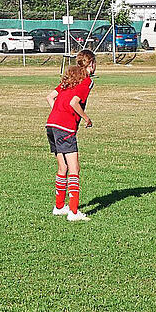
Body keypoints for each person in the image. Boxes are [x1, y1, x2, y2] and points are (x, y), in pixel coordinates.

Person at [45, 50, 96, 221]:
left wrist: (58, 113)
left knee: (63, 168)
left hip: (52, 125)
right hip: (65, 128)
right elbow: (74, 102)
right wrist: (86, 118)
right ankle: (74, 212)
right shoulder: (86, 81)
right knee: (75, 169)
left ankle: (59, 207)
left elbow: (50, 97)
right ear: (91, 64)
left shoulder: (71, 79)